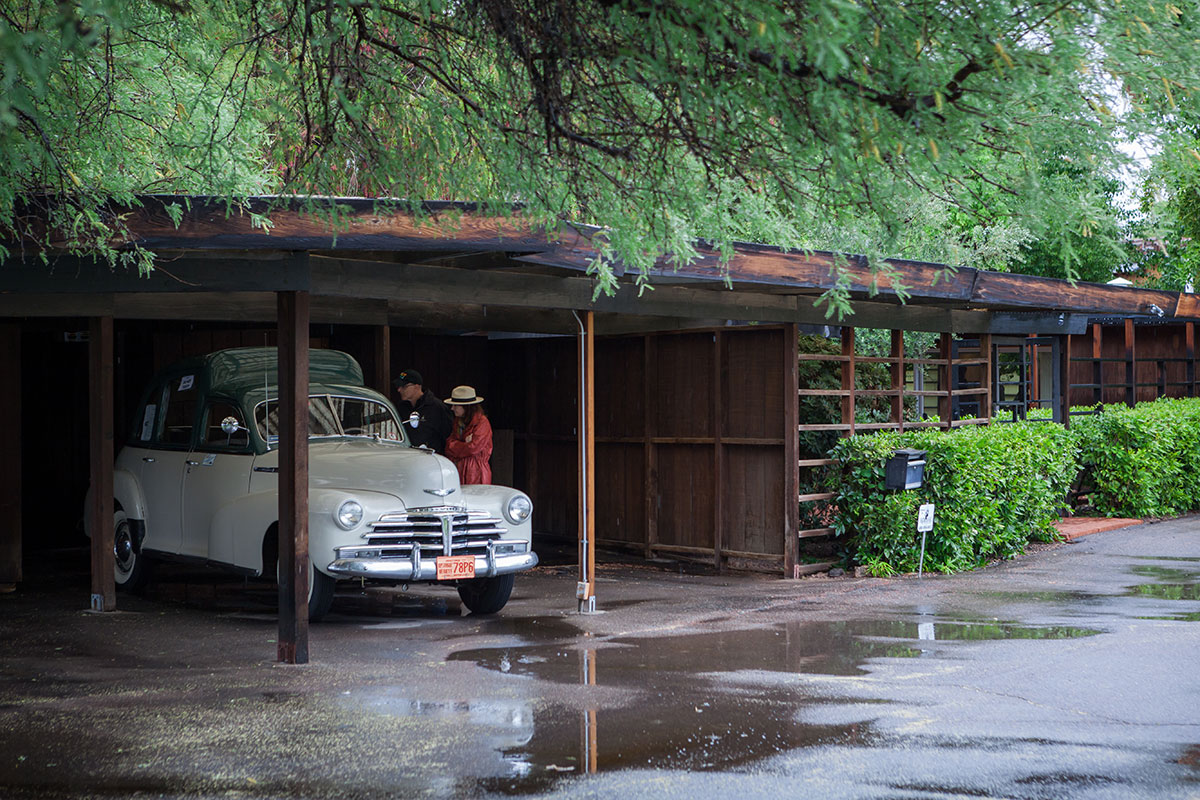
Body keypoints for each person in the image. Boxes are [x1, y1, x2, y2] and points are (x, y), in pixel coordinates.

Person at [392, 368, 452, 453]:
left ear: (417, 387)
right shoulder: (401, 407)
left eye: (404, 387)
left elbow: (448, 436)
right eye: (398, 386)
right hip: (407, 456)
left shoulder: (437, 407)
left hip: (432, 458)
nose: (399, 390)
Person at [444, 385, 493, 485]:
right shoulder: (458, 421)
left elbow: (473, 448)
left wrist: (457, 445)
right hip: (459, 469)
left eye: (456, 405)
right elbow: (448, 445)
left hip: (476, 472)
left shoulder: (482, 422)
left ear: (467, 407)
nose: (452, 408)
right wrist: (465, 444)